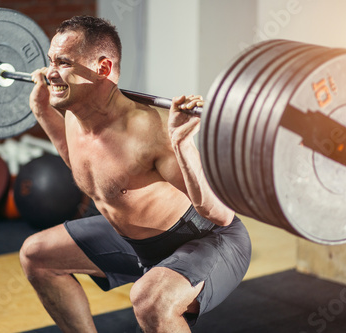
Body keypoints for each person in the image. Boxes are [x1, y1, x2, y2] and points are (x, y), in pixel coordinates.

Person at [19, 15, 251, 333]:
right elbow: (85, 168)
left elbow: (221, 214)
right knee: (36, 255)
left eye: (63, 62)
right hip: (139, 244)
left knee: (150, 301)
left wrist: (183, 144)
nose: (51, 73)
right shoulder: (75, 115)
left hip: (209, 240)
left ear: (102, 69)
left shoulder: (150, 131)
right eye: (50, 61)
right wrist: (44, 112)